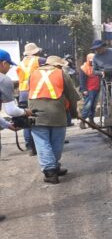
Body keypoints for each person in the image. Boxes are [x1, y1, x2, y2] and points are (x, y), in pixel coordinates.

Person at [28, 56, 79, 184]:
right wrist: (73, 112)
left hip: (36, 113)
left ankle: (52, 169)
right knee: (57, 141)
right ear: (58, 65)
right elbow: (71, 96)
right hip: (57, 113)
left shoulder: (33, 73)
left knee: (42, 141)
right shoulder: (62, 74)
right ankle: (52, 170)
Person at [0, 49, 32, 222]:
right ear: (3, 63)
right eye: (8, 66)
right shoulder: (3, 80)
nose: (8, 69)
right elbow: (11, 109)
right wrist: (26, 111)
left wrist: (6, 125)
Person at [16, 43, 46, 155]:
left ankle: (29, 145)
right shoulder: (41, 60)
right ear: (36, 52)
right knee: (38, 119)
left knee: (27, 119)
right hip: (35, 92)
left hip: (22, 93)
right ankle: (39, 145)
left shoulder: (20, 63)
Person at [78, 53, 100, 129]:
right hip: (89, 90)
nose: (92, 62)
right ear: (88, 60)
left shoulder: (97, 66)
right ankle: (82, 121)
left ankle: (91, 122)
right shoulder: (83, 68)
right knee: (87, 106)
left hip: (96, 89)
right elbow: (82, 81)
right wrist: (84, 90)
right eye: (91, 60)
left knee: (93, 106)